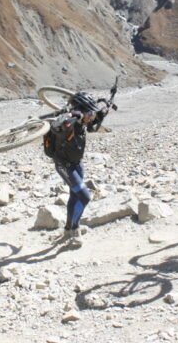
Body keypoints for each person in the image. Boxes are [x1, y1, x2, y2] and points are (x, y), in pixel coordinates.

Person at [49, 92, 109, 248]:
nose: (91, 116)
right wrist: (70, 118)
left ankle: (68, 229)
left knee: (75, 196)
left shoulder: (83, 120)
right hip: (64, 165)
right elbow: (56, 127)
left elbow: (93, 128)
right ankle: (75, 228)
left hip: (76, 163)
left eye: (93, 113)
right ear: (81, 110)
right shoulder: (68, 120)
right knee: (85, 196)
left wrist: (102, 113)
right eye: (90, 113)